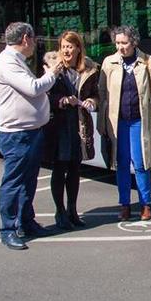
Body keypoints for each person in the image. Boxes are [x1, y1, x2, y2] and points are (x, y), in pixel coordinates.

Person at [0, 22, 60, 250]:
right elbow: (33, 88)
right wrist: (52, 72)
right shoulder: (7, 63)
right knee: (13, 182)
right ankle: (8, 229)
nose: (35, 45)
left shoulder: (16, 61)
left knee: (28, 181)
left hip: (30, 131)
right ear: (26, 39)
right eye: (34, 39)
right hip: (18, 133)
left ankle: (26, 222)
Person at [97, 25, 151, 222]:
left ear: (134, 42)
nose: (120, 47)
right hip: (118, 123)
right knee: (122, 164)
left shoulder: (148, 62)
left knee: (141, 164)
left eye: (124, 43)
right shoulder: (109, 63)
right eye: (117, 43)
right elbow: (102, 93)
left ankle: (146, 204)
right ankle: (124, 205)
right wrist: (102, 123)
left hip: (139, 121)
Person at [42, 31, 100, 230]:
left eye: (70, 46)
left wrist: (92, 101)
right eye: (63, 46)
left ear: (78, 49)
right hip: (59, 126)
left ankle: (72, 211)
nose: (66, 50)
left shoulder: (89, 70)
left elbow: (96, 95)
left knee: (75, 170)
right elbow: (43, 96)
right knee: (60, 169)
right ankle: (60, 213)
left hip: (79, 124)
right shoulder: (53, 69)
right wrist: (63, 101)